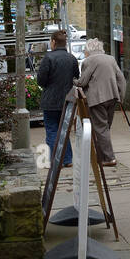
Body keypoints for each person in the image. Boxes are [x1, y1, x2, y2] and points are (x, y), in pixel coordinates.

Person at [74, 38, 127, 167]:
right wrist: (121, 97)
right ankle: (101, 155)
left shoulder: (88, 61)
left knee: (101, 128)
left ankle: (109, 158)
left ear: (88, 50)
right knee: (105, 127)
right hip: (112, 97)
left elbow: (83, 82)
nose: (84, 53)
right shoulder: (111, 59)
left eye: (85, 50)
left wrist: (73, 80)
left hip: (97, 99)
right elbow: (121, 79)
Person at [37, 29, 80, 166]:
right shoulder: (72, 58)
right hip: (67, 100)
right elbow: (76, 77)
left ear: (54, 42)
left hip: (50, 101)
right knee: (64, 129)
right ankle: (67, 159)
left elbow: (41, 81)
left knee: (52, 130)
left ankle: (56, 160)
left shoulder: (48, 58)